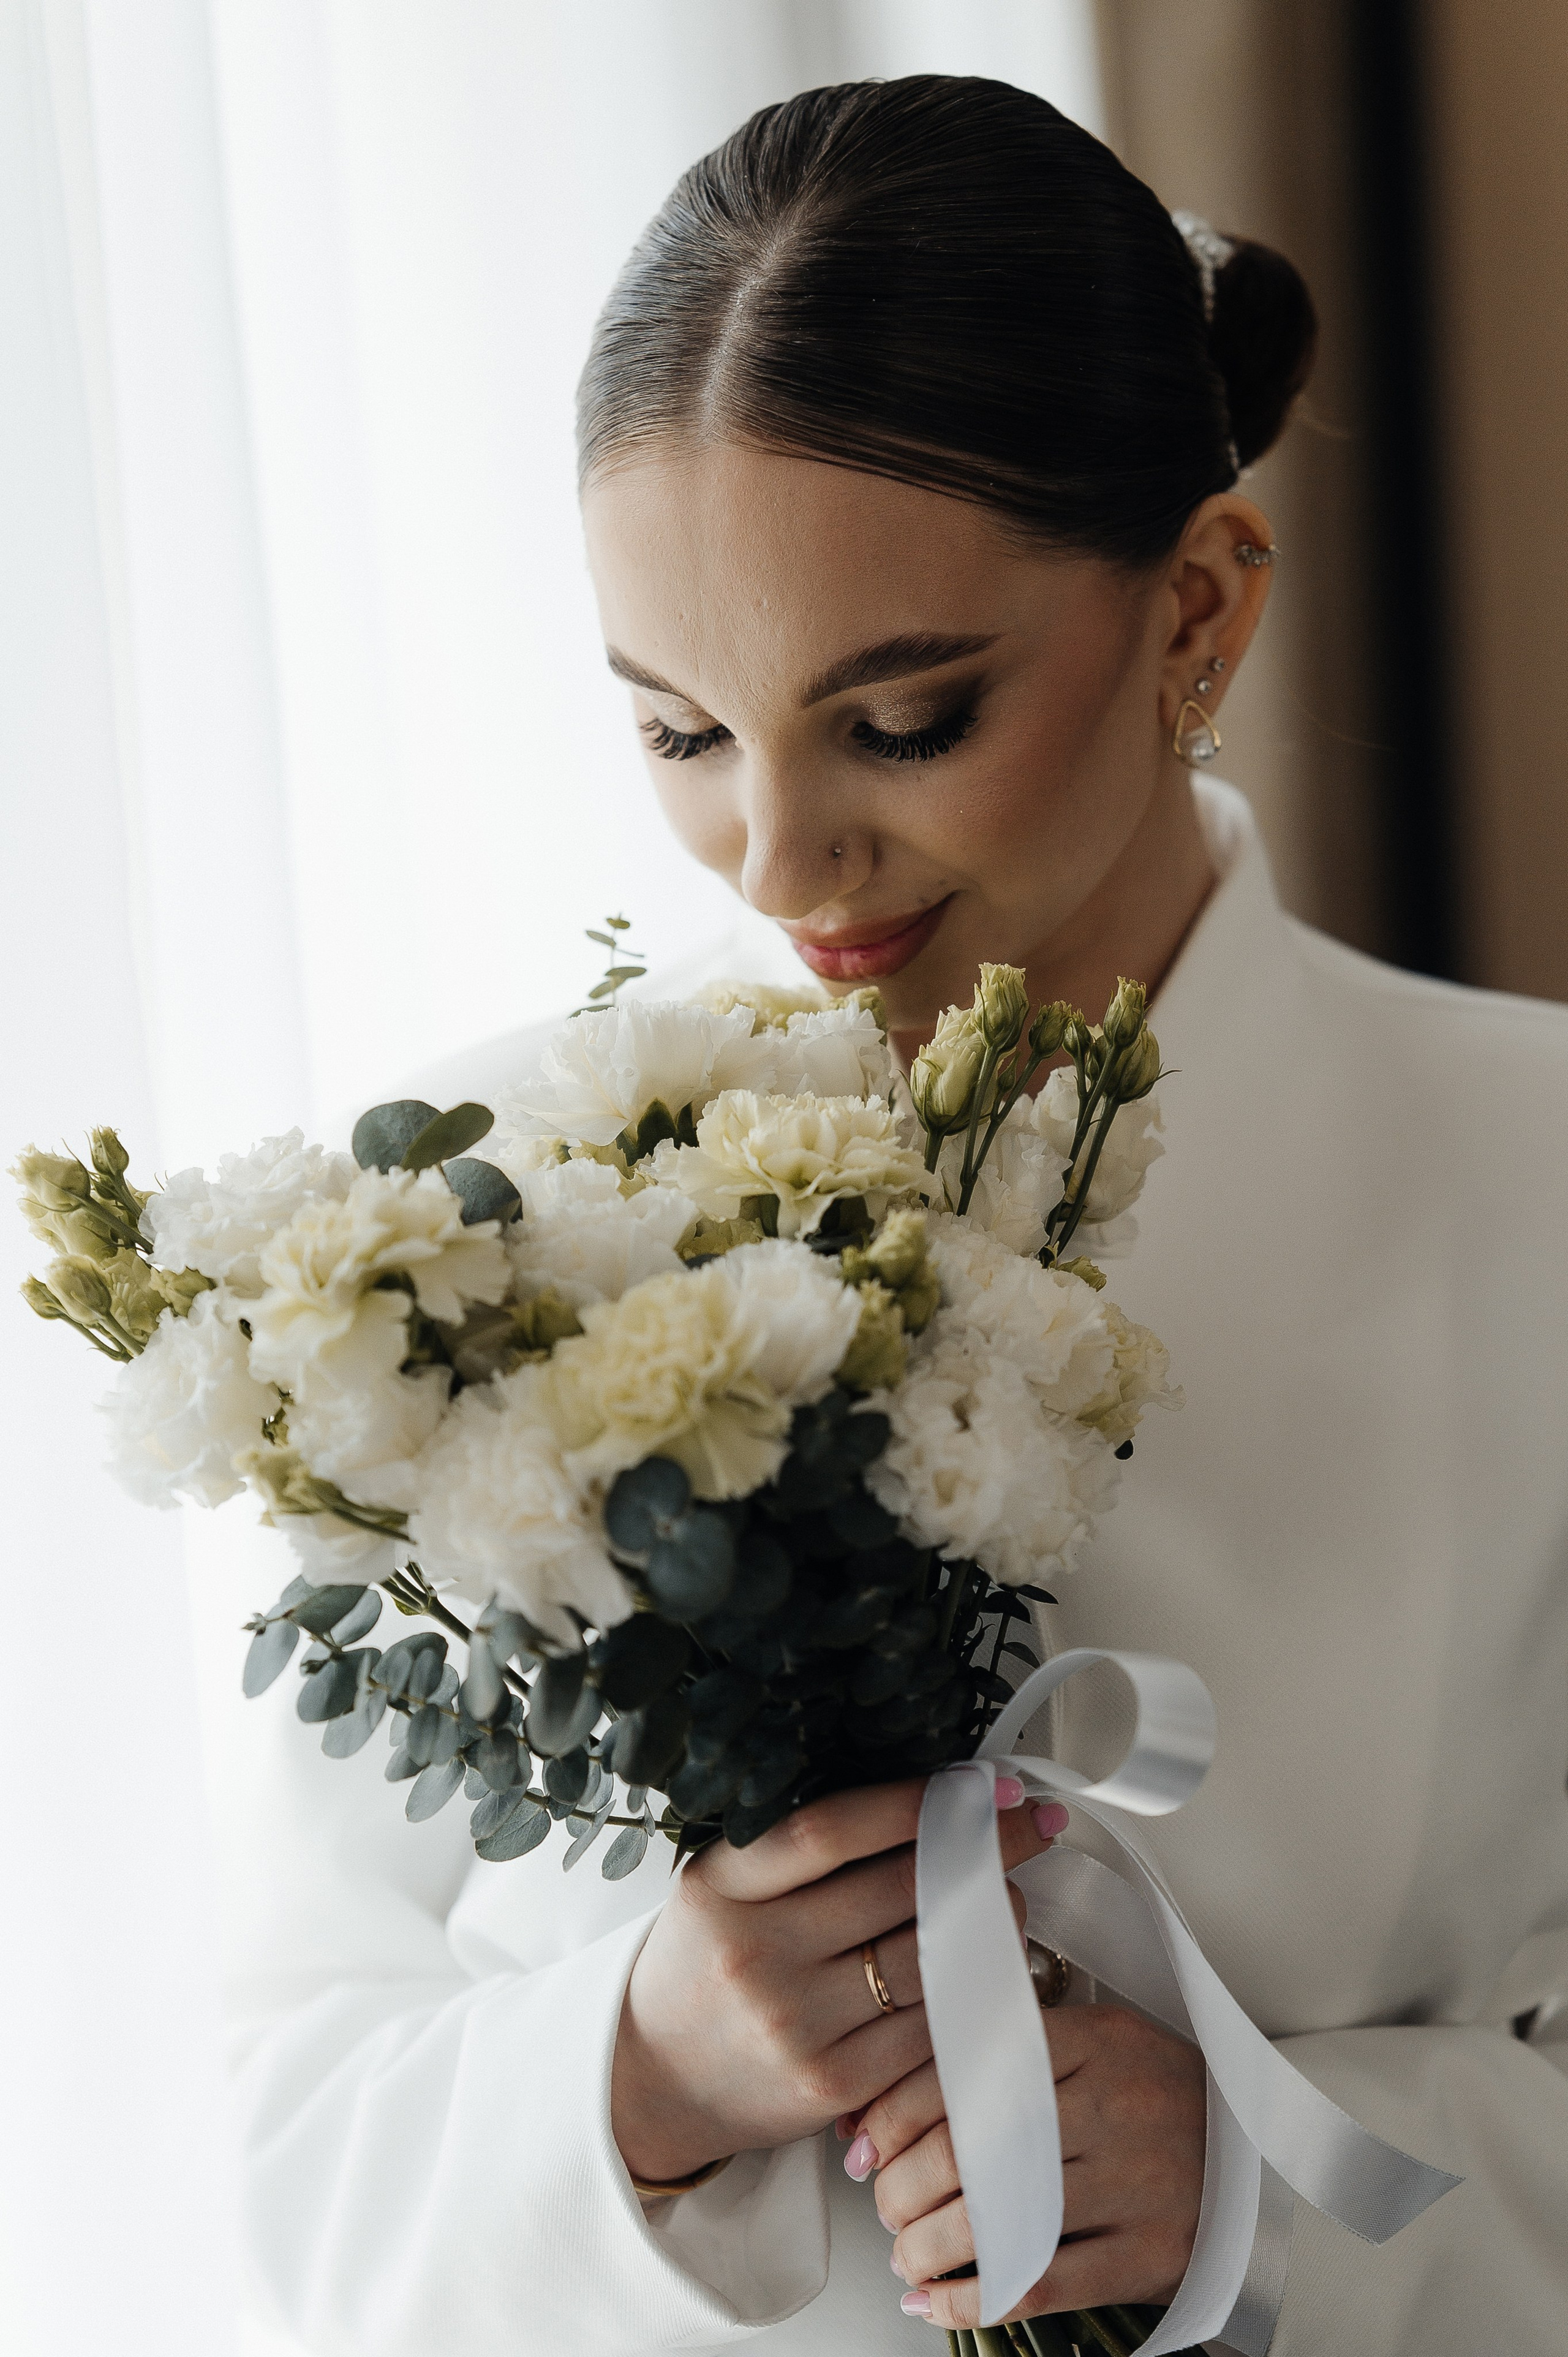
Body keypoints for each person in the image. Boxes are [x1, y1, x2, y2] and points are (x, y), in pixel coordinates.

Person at [223, 78, 1568, 2356]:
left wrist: (1277, 2185)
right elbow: (288, 2110)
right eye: (680, 733)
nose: (779, 861)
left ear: (1199, 607)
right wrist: (639, 2073)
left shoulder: (1536, 1188)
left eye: (908, 718)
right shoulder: (484, 1236)